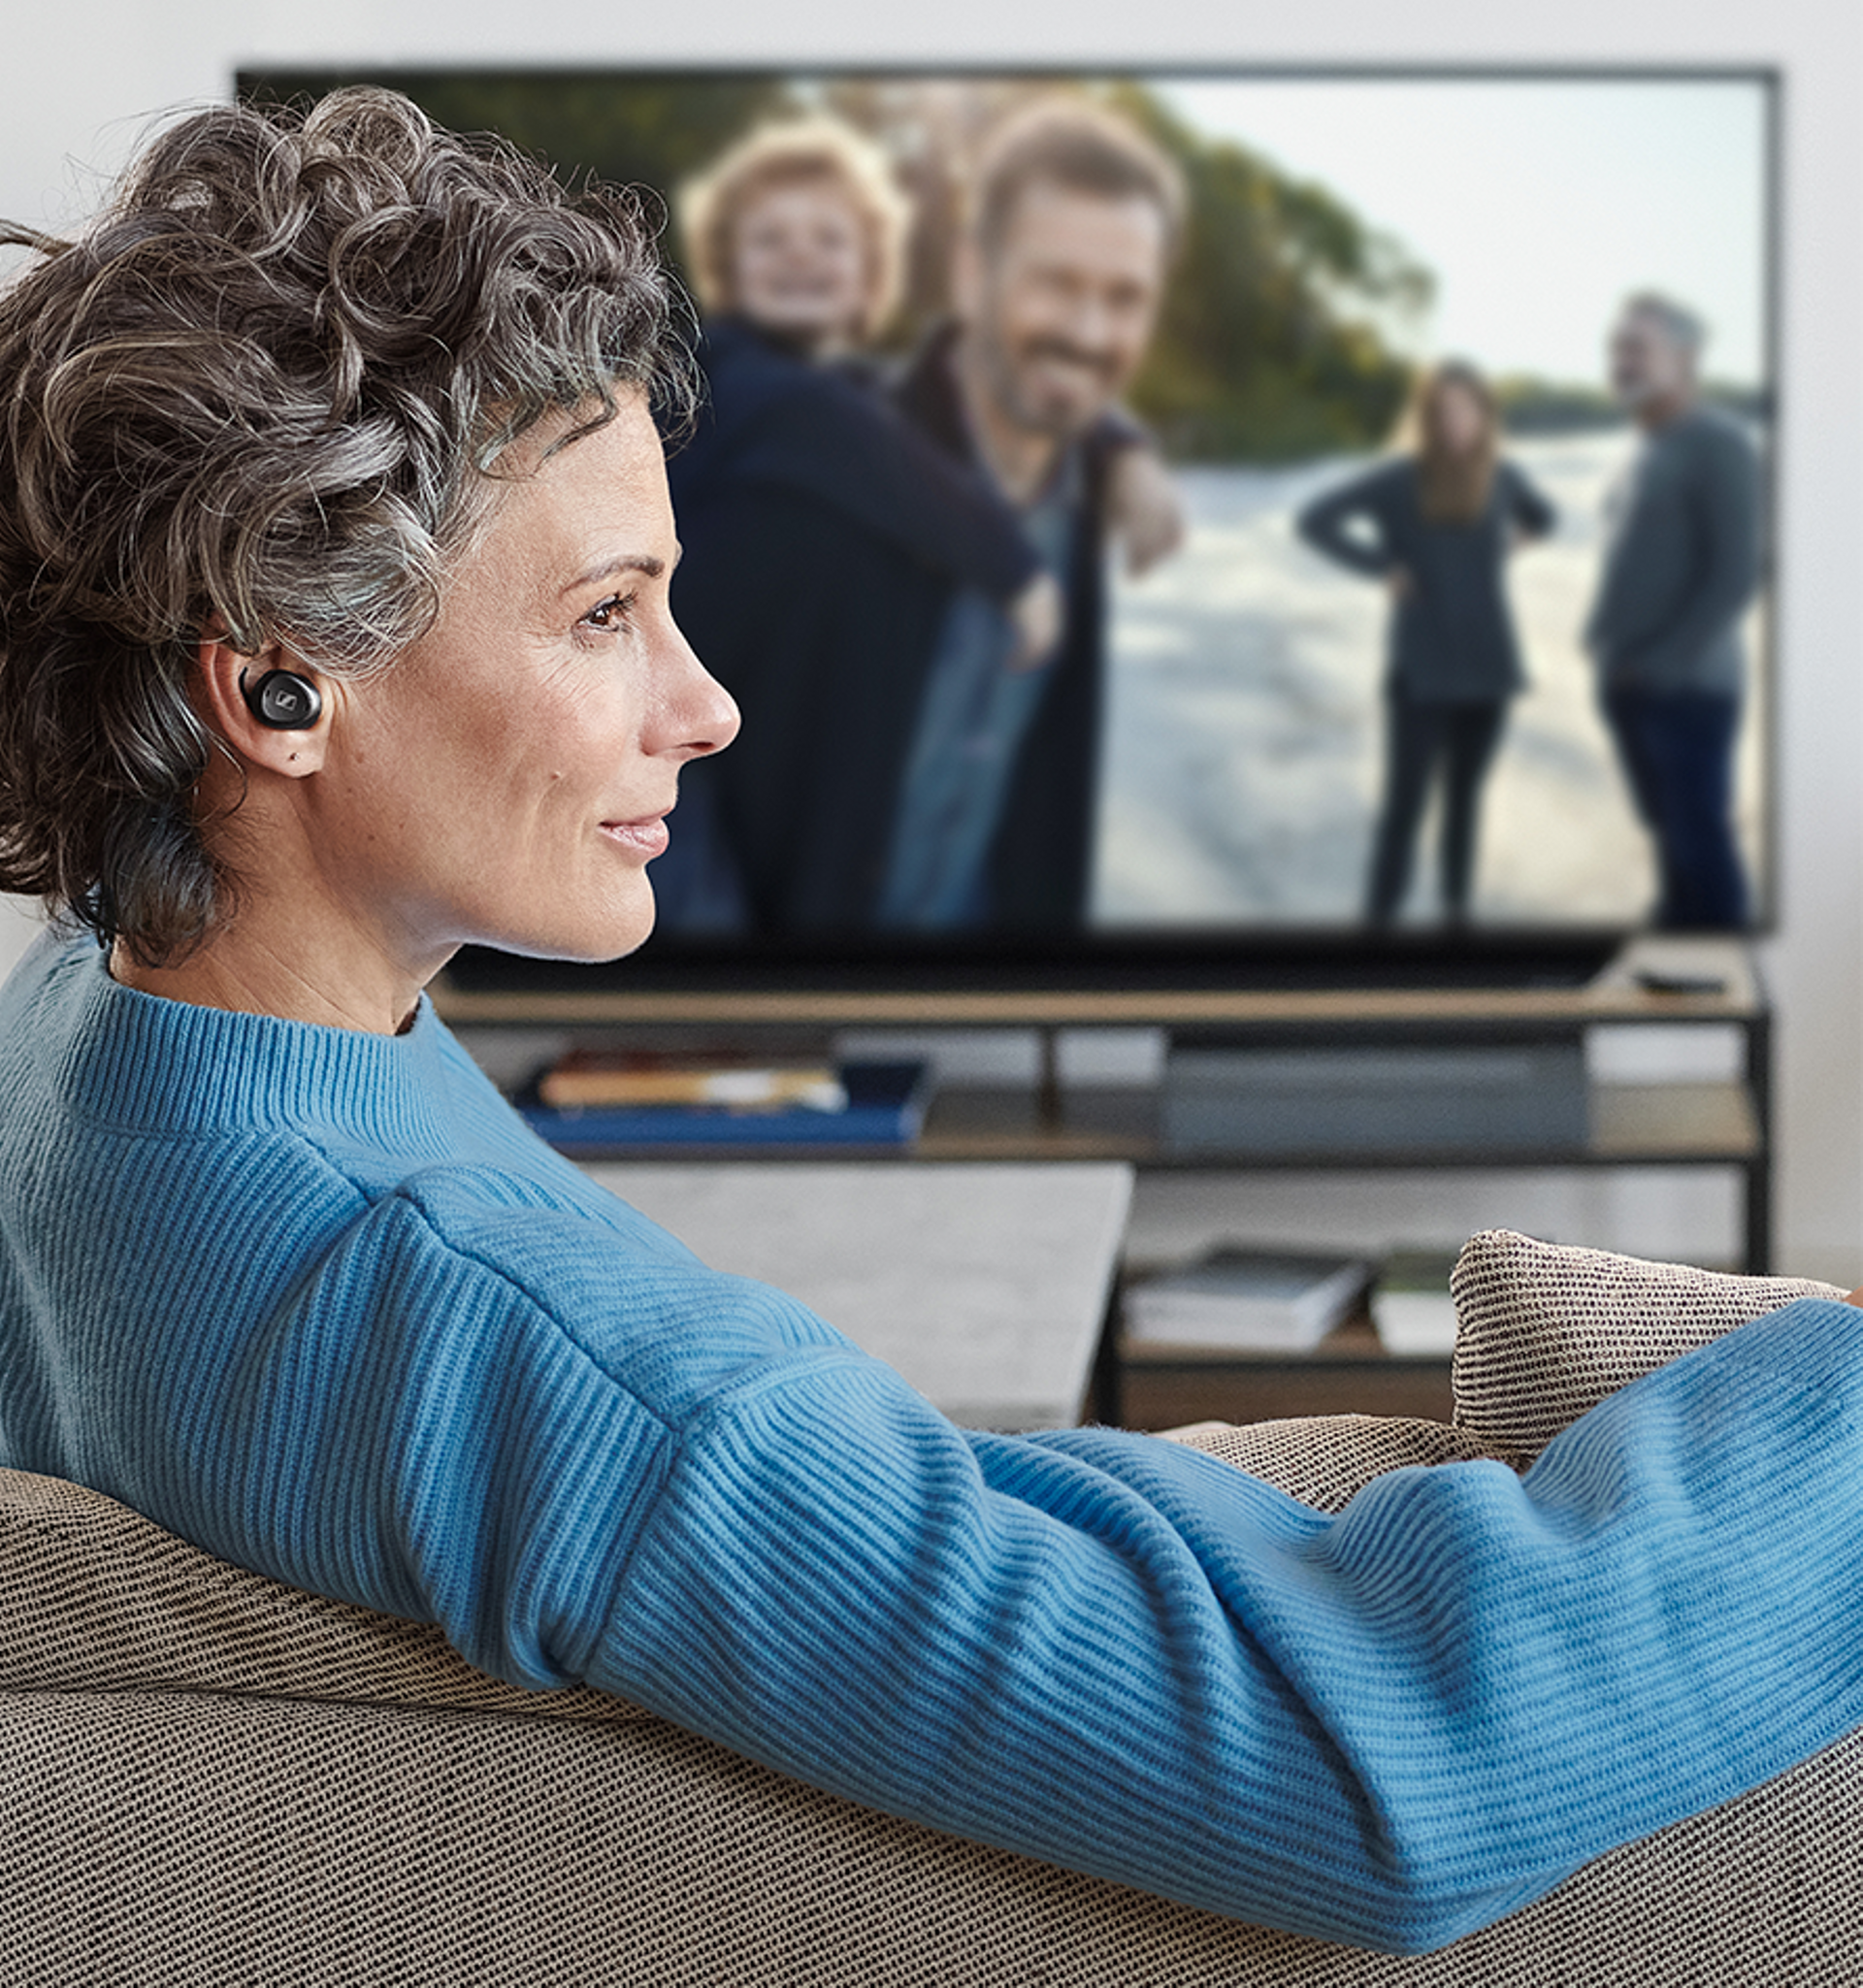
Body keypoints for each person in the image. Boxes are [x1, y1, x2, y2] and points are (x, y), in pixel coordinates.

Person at [2, 87, 1863, 1958]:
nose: (707, 702)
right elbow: (1393, 1776)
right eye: (604, 614)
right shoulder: (517, 1353)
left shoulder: (88, 1028)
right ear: (278, 682)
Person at [656, 116, 1062, 933]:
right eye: (769, 240)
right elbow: (826, 426)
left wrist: (1120, 448)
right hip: (681, 756)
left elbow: (958, 398)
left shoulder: (866, 403)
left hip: (805, 764)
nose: (799, 254)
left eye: (828, 240)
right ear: (729, 273)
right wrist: (1013, 568)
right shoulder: (722, 374)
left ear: (871, 275)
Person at [878, 95, 1187, 931]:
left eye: (1124, 298)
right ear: (973, 275)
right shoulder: (844, 457)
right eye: (1058, 284)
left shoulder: (1083, 502)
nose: (1090, 331)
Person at [1297, 361, 1555, 925]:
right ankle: (1378, 924)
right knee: (1403, 812)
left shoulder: (1503, 475)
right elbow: (1314, 520)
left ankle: (1456, 916)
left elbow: (1547, 515)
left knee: (1465, 803)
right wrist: (1381, 567)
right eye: (1443, 410)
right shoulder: (1398, 478)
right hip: (1421, 672)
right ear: (1426, 416)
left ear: (1487, 413)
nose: (1456, 421)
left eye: (1469, 408)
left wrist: (1519, 539)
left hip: (1491, 668)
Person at [1585, 293, 1761, 929]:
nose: (1620, 361)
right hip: (1630, 681)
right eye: (1615, 348)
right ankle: (1674, 949)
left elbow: (1738, 573)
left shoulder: (1720, 441)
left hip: (1687, 690)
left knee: (1701, 849)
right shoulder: (1644, 445)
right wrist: (1603, 650)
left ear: (1685, 358)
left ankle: (1720, 986)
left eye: (1636, 348)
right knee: (1667, 835)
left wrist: (1659, 662)